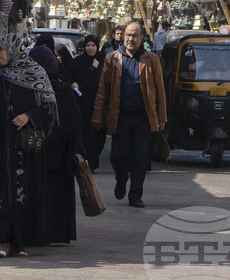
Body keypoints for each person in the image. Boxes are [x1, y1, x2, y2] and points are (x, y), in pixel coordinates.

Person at [0, 35, 58, 257]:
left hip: (23, 149)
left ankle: (19, 242)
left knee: (22, 193)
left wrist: (28, 116)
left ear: (13, 49)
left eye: (1, 49)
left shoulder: (36, 74)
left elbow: (48, 109)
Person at [92, 21, 166, 208]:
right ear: (123, 36)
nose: (130, 39)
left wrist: (161, 118)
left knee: (141, 159)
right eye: (128, 35)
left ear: (142, 38)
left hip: (143, 118)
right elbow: (103, 91)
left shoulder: (152, 60)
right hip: (120, 117)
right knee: (118, 156)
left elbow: (160, 91)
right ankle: (121, 178)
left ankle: (135, 195)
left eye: (135, 35)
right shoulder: (112, 58)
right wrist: (97, 117)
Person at [31, 46, 85, 244]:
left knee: (55, 194)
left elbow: (75, 122)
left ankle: (54, 233)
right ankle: (50, 232)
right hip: (49, 151)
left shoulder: (60, 88)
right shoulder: (35, 86)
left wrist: (78, 151)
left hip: (58, 154)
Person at [71, 35, 106, 170]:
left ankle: (92, 161)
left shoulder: (102, 61)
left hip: (97, 103)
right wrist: (73, 83)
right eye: (88, 46)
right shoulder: (78, 62)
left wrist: (98, 68)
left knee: (97, 133)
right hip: (82, 103)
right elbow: (70, 76)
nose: (90, 48)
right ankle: (82, 159)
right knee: (83, 131)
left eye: (93, 46)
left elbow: (106, 81)